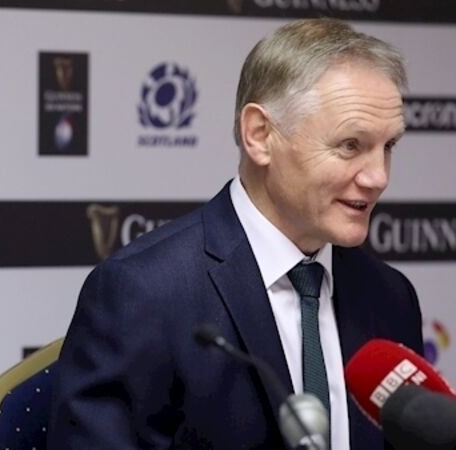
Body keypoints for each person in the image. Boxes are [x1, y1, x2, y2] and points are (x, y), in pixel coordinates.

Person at [49, 18, 422, 449]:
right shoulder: (144, 293)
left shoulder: (389, 297)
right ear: (260, 135)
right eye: (350, 145)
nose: (378, 177)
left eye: (388, 147)